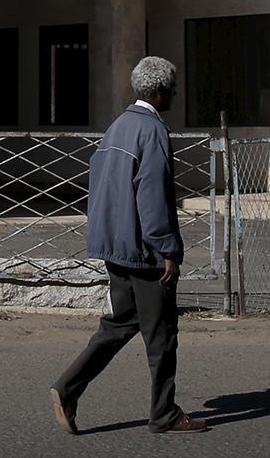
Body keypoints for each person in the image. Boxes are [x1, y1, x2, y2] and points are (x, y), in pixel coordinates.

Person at [49, 55, 205, 435]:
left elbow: (101, 187)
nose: (174, 95)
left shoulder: (117, 127)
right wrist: (168, 249)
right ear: (159, 92)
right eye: (172, 90)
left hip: (116, 246)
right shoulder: (152, 131)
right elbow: (153, 196)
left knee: (122, 323)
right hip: (143, 250)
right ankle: (164, 414)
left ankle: (67, 388)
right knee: (162, 335)